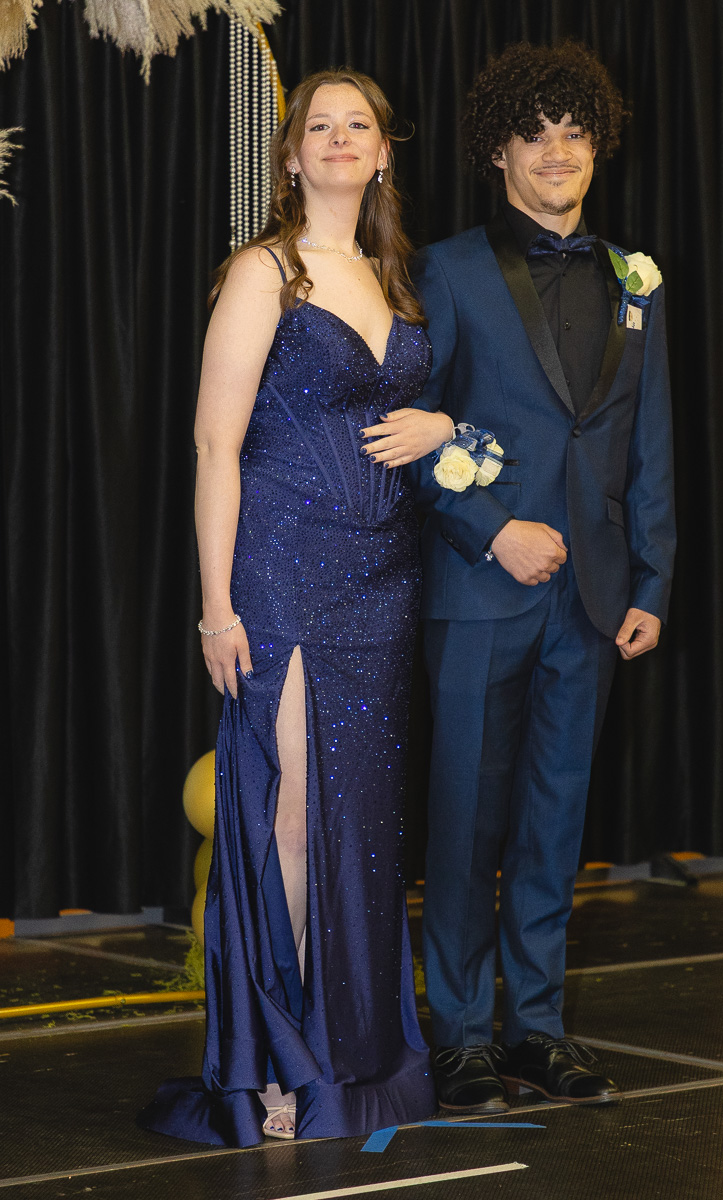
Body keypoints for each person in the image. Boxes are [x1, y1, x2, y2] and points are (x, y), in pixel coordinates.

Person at [139, 68, 450, 1146]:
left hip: (385, 574)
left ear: (382, 152)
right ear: (287, 154)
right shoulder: (263, 271)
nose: (337, 139)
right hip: (281, 568)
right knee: (285, 811)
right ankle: (278, 1061)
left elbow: (407, 423)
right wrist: (216, 606)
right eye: (316, 125)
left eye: (356, 125)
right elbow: (213, 445)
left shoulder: (393, 278)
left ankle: (351, 1051)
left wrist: (443, 427)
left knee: (361, 825)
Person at [406, 41, 676, 1113]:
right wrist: (488, 528)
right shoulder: (447, 268)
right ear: (497, 148)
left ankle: (535, 1030)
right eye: (536, 133)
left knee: (553, 824)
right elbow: (408, 428)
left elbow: (646, 441)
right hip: (480, 591)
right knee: (467, 825)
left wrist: (651, 582)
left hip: (595, 602)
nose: (557, 151)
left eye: (575, 133)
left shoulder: (631, 278)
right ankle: (459, 1037)